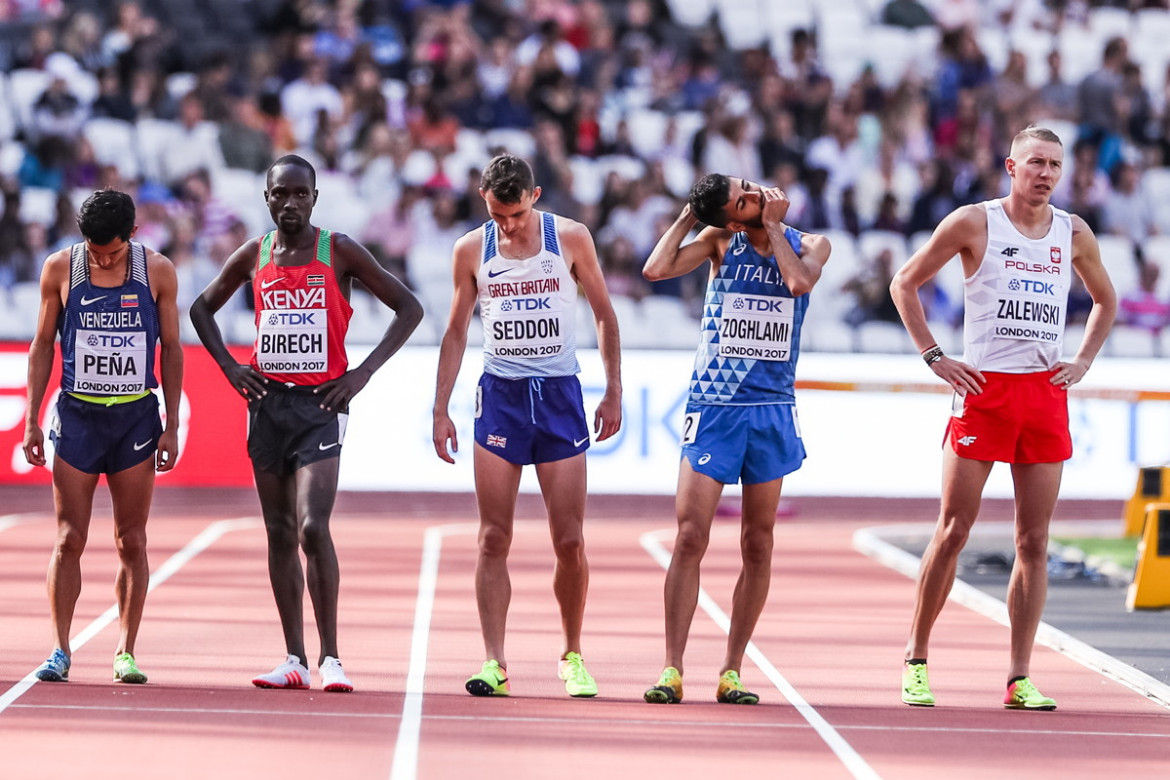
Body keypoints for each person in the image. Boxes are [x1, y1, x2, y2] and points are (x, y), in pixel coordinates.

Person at [889, 125, 1117, 711]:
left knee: (1033, 541)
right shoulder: (974, 222)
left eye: (1055, 166)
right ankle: (916, 657)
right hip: (985, 391)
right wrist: (935, 357)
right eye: (1035, 163)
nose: (1045, 174)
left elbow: (1105, 299)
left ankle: (1019, 676)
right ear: (1010, 167)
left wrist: (1084, 359)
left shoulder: (1074, 232)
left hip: (1043, 396)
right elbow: (904, 283)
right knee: (953, 530)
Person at [189, 155, 423, 693]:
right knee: (278, 531)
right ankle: (293, 658)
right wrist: (229, 367)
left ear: (314, 197)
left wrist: (361, 373)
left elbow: (407, 307)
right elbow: (202, 309)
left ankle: (331, 657)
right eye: (280, 194)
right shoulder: (255, 253)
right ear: (266, 199)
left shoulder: (337, 250)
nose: (289, 203)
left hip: (320, 407)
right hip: (267, 406)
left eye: (300, 194)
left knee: (313, 526)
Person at [432, 154, 622, 698]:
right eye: (497, 215)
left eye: (514, 214)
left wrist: (613, 390)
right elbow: (455, 331)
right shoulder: (472, 249)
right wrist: (440, 407)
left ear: (534, 197)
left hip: (560, 394)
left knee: (570, 540)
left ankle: (572, 654)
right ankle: (495, 660)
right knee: (493, 536)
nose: (508, 226)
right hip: (502, 397)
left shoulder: (571, 239)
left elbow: (604, 314)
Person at [640, 174, 831, 705]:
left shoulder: (812, 244)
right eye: (745, 200)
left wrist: (773, 228)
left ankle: (731, 669)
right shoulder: (721, 243)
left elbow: (798, 284)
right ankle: (671, 669)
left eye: (751, 186)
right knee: (688, 537)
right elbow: (655, 269)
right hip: (715, 407)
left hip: (770, 410)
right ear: (732, 220)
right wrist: (689, 217)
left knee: (758, 542)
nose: (759, 194)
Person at [23, 189, 184, 685]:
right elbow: (41, 345)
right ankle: (59, 649)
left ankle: (125, 651)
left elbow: (173, 350)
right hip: (78, 418)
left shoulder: (156, 271)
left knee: (130, 540)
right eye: (94, 250)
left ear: (133, 236)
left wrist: (172, 424)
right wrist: (31, 419)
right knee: (69, 536)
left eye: (112, 252)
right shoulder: (61, 268)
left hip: (135, 419)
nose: (102, 259)